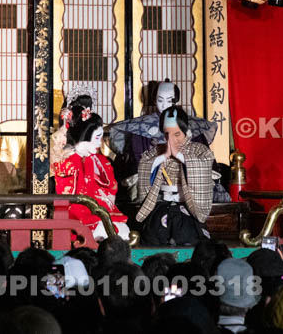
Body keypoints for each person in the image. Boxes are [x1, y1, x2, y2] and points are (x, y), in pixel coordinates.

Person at [136, 105, 214, 246]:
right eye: (167, 134)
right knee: (153, 237)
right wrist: (162, 157)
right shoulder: (156, 151)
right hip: (162, 205)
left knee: (188, 236)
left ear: (186, 131)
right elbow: (144, 166)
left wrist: (179, 156)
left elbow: (203, 164)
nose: (171, 140)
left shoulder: (199, 150)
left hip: (188, 207)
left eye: (176, 134)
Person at [53, 100, 130, 241]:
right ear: (83, 136)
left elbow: (111, 188)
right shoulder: (67, 161)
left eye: (100, 138)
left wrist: (102, 198)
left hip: (101, 209)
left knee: (122, 229)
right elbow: (67, 192)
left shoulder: (101, 161)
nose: (98, 144)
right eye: (96, 138)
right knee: (102, 229)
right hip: (78, 211)